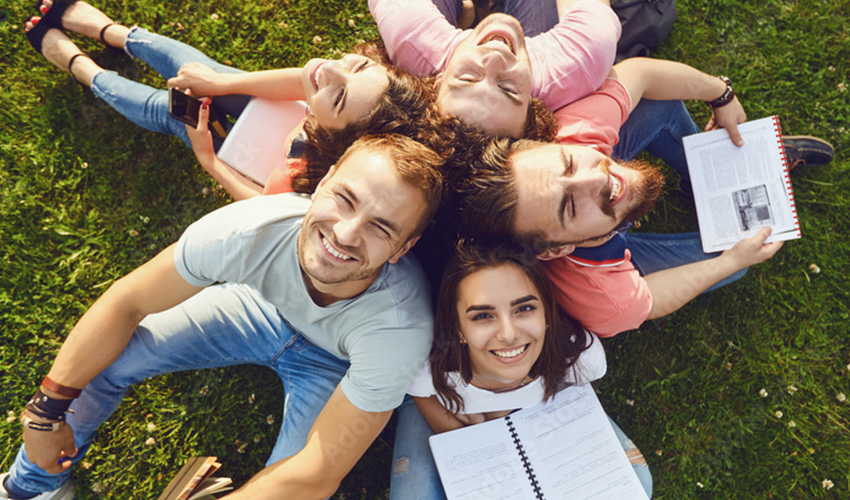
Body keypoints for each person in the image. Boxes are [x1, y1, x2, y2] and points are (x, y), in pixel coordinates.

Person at [1, 134, 443, 500]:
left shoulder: (401, 330)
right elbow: (126, 303)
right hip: (258, 310)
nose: (346, 234)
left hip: (338, 365)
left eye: (381, 228)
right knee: (101, 362)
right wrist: (42, 418)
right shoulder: (245, 230)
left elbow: (316, 472)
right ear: (323, 182)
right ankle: (31, 487)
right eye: (345, 199)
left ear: (404, 248)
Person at [454, 57, 800, 336]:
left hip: (592, 224)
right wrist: (731, 262)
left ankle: (713, 174)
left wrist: (720, 93)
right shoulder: (600, 297)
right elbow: (649, 300)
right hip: (601, 258)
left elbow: (641, 73)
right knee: (734, 256)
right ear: (556, 249)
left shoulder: (575, 136)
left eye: (569, 163)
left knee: (655, 108)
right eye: (570, 205)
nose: (597, 179)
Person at [24, 0, 437, 200]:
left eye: (340, 93)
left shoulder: (327, 193)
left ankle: (85, 70)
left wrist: (210, 162)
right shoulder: (363, 104)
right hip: (262, 104)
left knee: (164, 112)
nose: (329, 68)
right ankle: (116, 34)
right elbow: (303, 82)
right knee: (195, 66)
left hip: (233, 151)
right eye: (359, 66)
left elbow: (262, 210)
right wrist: (219, 84)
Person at [389, 240, 651, 499]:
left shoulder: (579, 356)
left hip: (543, 404)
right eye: (482, 316)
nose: (508, 334)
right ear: (458, 329)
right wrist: (456, 432)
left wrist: (509, 415)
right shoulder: (432, 368)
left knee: (635, 480)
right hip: (453, 404)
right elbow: (420, 393)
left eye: (524, 308)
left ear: (547, 313)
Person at [368, 0, 620, 138]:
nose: (495, 58)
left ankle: (466, 10)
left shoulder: (413, 41)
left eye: (468, 78)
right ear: (533, 109)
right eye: (508, 89)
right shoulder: (582, 58)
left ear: (438, 79)